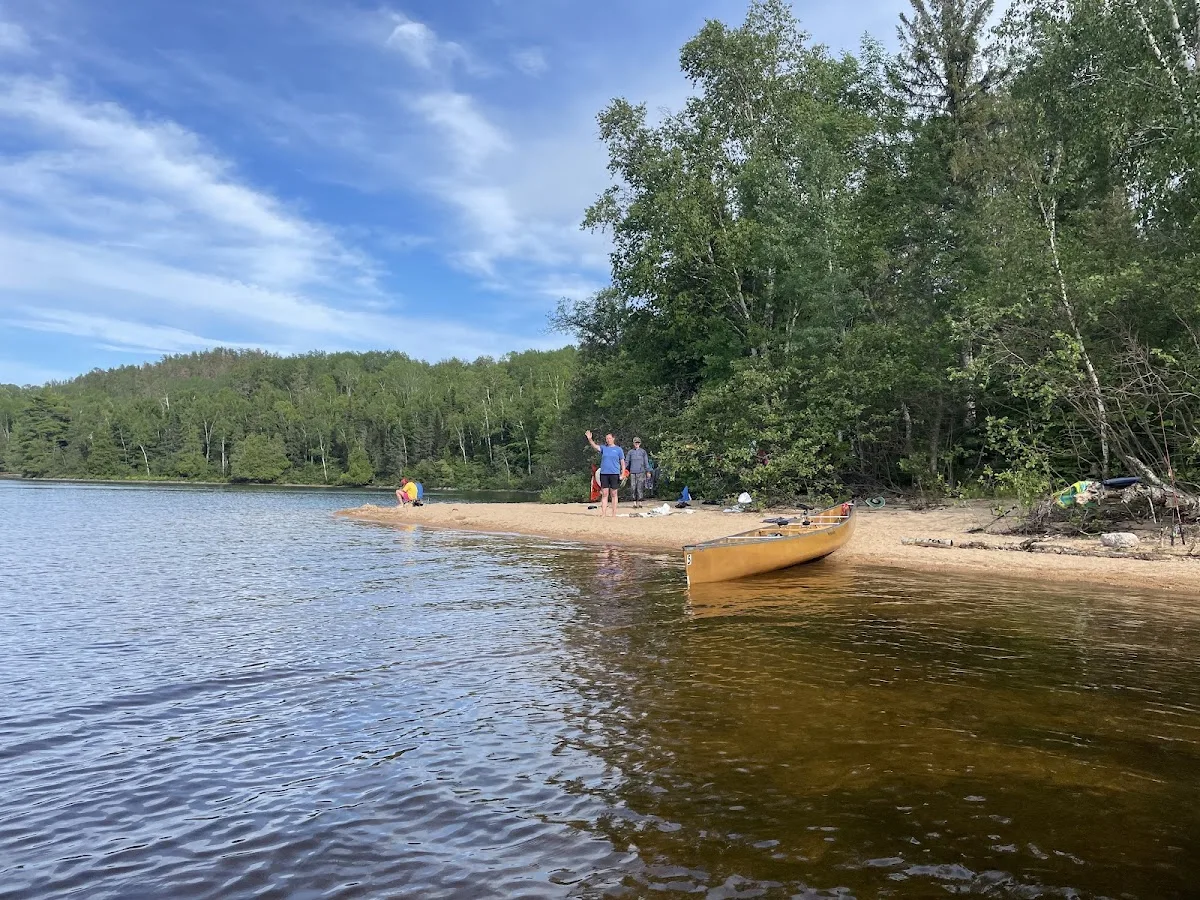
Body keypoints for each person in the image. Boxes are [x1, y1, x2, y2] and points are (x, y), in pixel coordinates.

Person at [585, 430, 625, 517]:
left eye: (610, 438)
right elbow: (595, 446)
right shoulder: (604, 448)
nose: (608, 440)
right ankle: (603, 513)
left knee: (614, 494)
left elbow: (622, 462)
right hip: (604, 474)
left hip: (614, 473)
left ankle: (614, 514)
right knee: (605, 493)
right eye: (607, 438)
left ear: (613, 439)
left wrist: (623, 473)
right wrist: (590, 439)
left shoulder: (618, 449)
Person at [626, 437, 650, 508]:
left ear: (640, 443)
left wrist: (648, 471)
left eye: (638, 442)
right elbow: (626, 461)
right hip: (633, 472)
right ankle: (634, 503)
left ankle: (640, 502)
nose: (637, 444)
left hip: (641, 472)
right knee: (633, 487)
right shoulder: (630, 452)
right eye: (635, 442)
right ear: (633, 443)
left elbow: (646, 462)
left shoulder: (643, 452)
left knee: (640, 487)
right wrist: (623, 469)